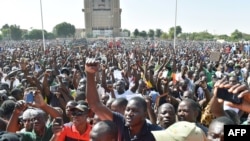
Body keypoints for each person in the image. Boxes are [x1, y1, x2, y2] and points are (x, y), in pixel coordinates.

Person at [85, 58, 163, 141]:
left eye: (134, 111)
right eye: (127, 110)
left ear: (145, 114)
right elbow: (95, 105)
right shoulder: (121, 122)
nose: (129, 113)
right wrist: (89, 74)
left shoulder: (155, 132)